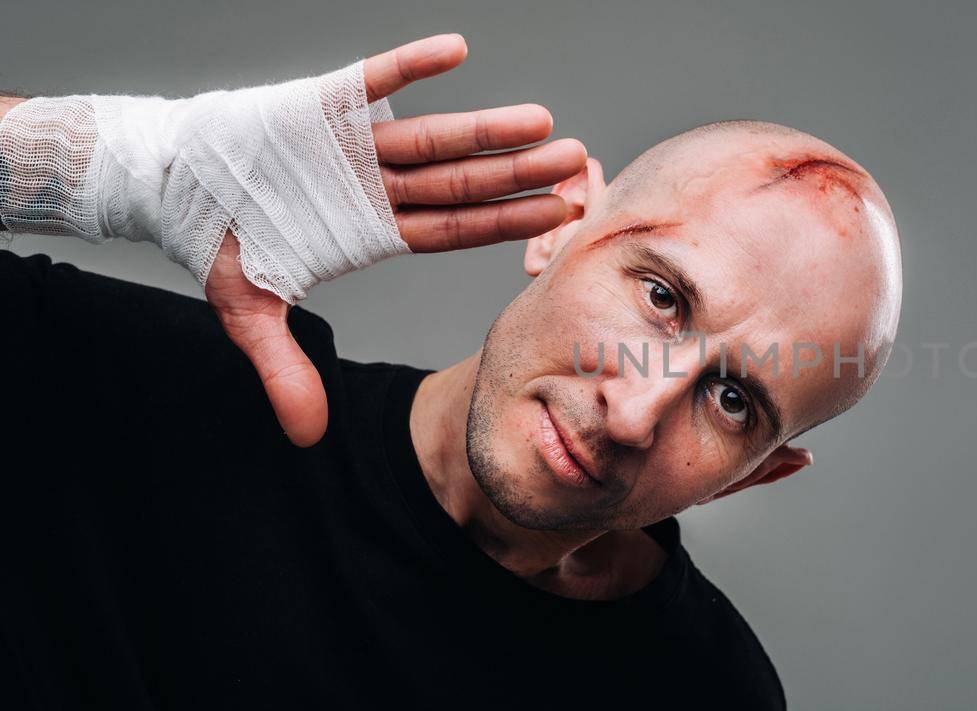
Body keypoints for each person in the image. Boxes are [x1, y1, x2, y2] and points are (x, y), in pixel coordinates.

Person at [0, 35, 901, 709]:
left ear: (757, 475)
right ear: (565, 227)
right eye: (662, 297)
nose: (633, 411)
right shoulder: (144, 400)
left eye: (735, 400)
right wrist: (119, 169)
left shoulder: (705, 692)